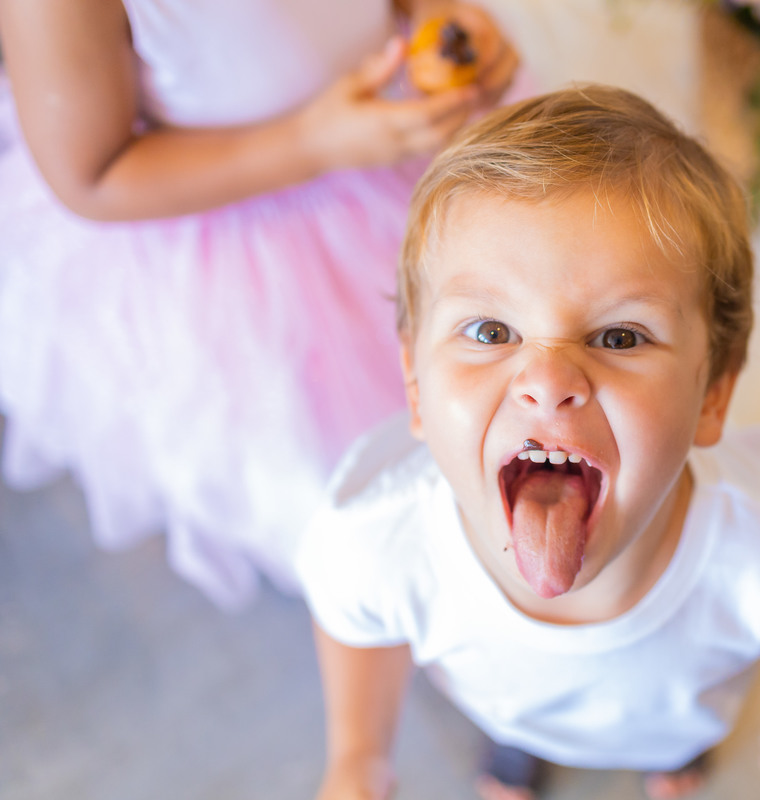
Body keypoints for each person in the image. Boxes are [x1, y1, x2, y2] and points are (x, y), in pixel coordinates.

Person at [296, 84, 760, 800]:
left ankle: (675, 761)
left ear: (713, 395)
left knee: (682, 736)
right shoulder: (380, 540)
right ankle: (516, 762)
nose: (548, 379)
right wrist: (358, 754)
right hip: (505, 703)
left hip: (679, 712)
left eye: (620, 336)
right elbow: (351, 621)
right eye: (491, 331)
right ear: (414, 384)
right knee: (513, 728)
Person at [0, 0, 521, 610]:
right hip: (258, 241)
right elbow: (93, 175)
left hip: (405, 138)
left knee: (514, 371)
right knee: (381, 473)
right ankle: (431, 607)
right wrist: (313, 143)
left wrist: (445, 15)